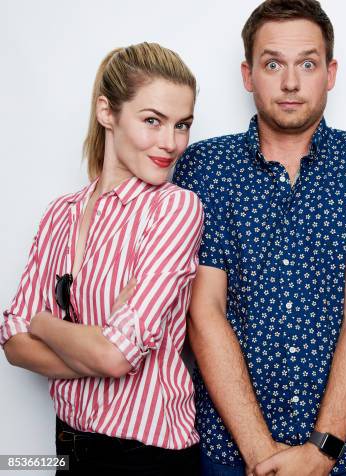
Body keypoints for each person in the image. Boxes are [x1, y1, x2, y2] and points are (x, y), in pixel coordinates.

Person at [172, 1, 346, 474]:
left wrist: (322, 450)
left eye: (307, 63)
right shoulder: (206, 167)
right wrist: (260, 452)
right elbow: (204, 312)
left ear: (330, 72)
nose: (290, 82)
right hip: (230, 452)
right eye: (273, 63)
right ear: (248, 74)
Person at [1, 42, 203, 475]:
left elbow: (114, 357)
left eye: (182, 125)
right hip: (68, 445)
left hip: (146, 456)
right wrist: (93, 341)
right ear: (107, 112)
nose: (171, 143)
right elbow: (13, 342)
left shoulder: (175, 208)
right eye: (153, 121)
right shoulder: (62, 212)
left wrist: (43, 323)